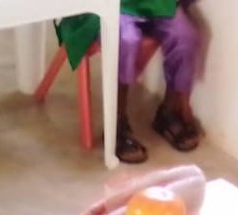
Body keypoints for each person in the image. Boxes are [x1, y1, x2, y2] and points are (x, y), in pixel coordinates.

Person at [56, 1, 207, 163]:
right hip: (110, 7)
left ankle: (169, 111)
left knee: (185, 36)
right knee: (126, 39)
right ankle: (117, 124)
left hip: (156, 5)